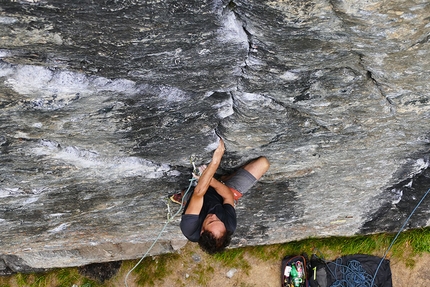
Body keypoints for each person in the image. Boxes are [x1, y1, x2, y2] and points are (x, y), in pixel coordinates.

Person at [172, 138, 270, 254]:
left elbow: (199, 193)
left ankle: (184, 199)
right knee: (263, 163)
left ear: (202, 231)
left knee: (187, 195)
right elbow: (228, 197)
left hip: (197, 194)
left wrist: (215, 161)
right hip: (222, 192)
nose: (214, 216)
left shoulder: (190, 228)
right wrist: (211, 180)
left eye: (211, 221)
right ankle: (223, 179)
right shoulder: (229, 226)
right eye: (219, 220)